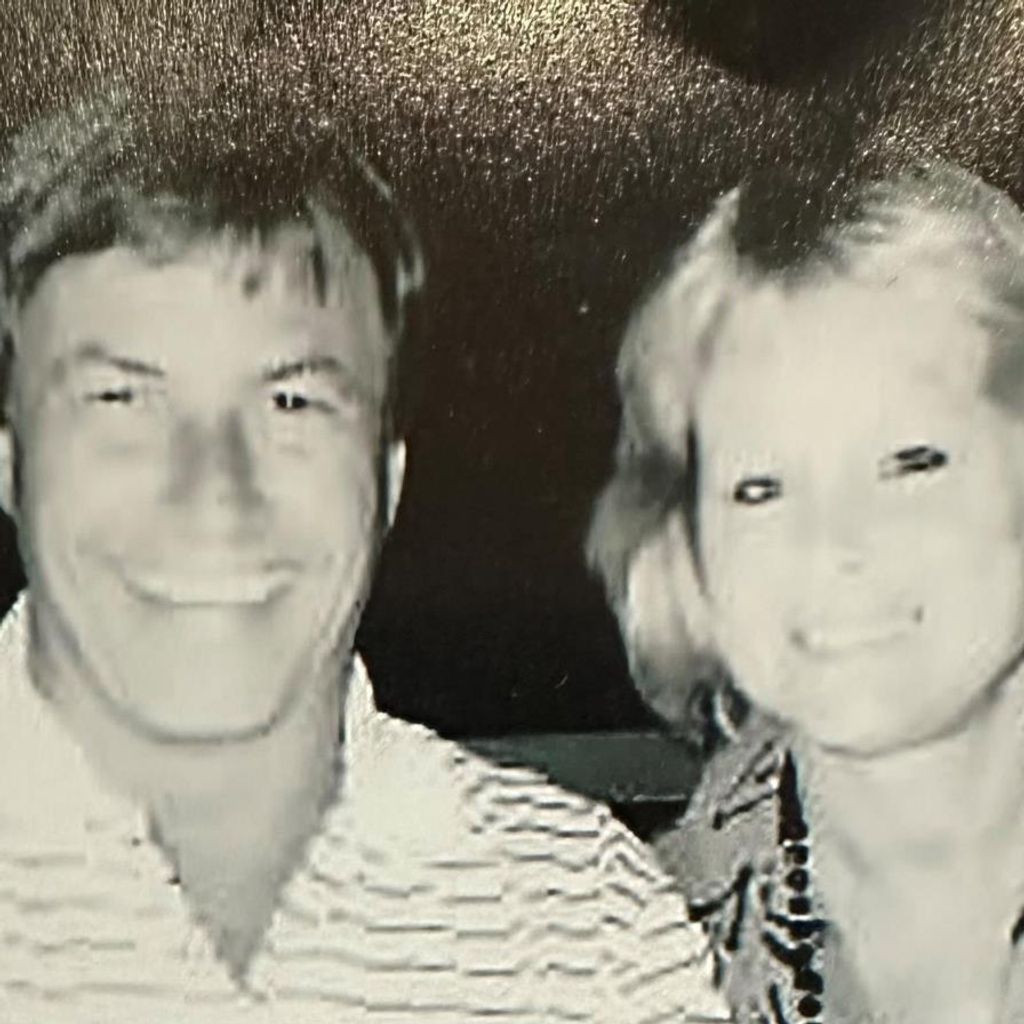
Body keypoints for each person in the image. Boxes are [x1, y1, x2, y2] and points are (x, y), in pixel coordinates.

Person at [0, 91, 729, 1023]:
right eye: (121, 399)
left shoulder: (586, 919)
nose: (214, 488)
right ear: (12, 463)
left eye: (292, 402)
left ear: (387, 479)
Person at [588, 162, 1024, 1024]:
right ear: (687, 548)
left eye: (909, 461)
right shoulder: (621, 968)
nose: (832, 544)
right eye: (761, 487)